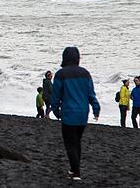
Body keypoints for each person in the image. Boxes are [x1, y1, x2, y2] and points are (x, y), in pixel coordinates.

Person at [49, 47, 100, 181]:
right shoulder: (85, 73)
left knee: (70, 143)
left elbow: (56, 95)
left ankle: (76, 173)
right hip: (83, 113)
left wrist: (55, 110)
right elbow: (91, 94)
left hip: (68, 113)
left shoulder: (61, 74)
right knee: (77, 141)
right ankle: (73, 169)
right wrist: (96, 108)